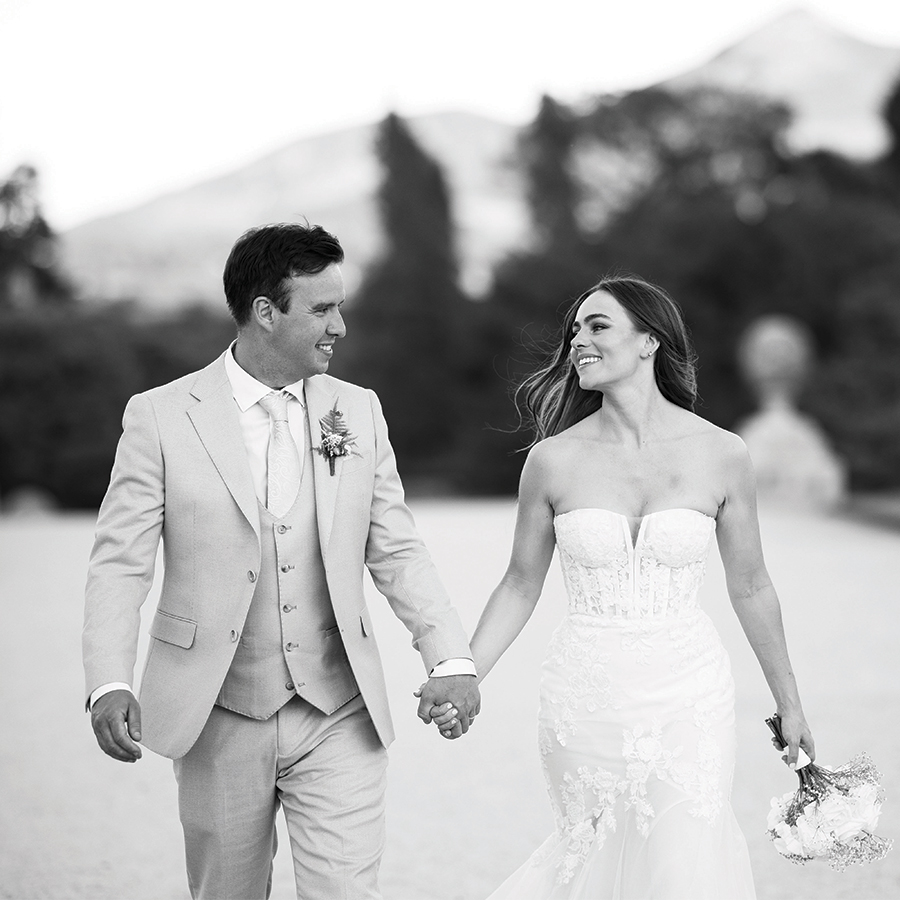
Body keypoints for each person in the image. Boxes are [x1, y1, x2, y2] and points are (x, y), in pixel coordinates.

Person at [83, 222, 480, 900]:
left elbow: (396, 547)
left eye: (340, 307)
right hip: (215, 710)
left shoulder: (358, 411)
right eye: (322, 309)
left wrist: (450, 659)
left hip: (338, 711)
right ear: (265, 312)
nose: (340, 327)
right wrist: (108, 682)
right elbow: (120, 563)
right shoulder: (160, 417)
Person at [430, 275, 815, 898]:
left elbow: (751, 586)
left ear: (649, 341)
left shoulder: (723, 454)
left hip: (690, 695)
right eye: (574, 330)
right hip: (586, 697)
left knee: (685, 863)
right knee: (593, 856)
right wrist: (464, 672)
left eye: (597, 326)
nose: (577, 341)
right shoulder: (552, 460)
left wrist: (789, 704)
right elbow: (520, 584)